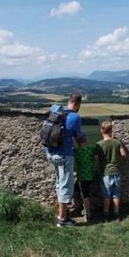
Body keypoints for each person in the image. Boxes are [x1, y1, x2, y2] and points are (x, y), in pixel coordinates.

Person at [45, 92, 83, 227]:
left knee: (59, 183)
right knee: (66, 186)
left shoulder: (55, 108)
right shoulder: (75, 117)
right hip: (64, 155)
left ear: (69, 101)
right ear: (78, 104)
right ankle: (62, 219)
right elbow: (79, 139)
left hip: (50, 152)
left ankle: (61, 214)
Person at [95, 121, 127, 222]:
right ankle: (116, 214)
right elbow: (123, 154)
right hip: (116, 171)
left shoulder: (98, 144)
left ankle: (105, 214)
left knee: (106, 195)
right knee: (116, 194)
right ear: (111, 130)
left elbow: (95, 159)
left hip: (105, 173)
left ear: (102, 130)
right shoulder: (117, 142)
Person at [74, 134, 97, 223]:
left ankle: (88, 213)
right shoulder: (91, 148)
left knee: (85, 195)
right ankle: (87, 209)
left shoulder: (76, 151)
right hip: (90, 174)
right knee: (86, 192)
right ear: (86, 140)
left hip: (82, 176)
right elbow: (96, 159)